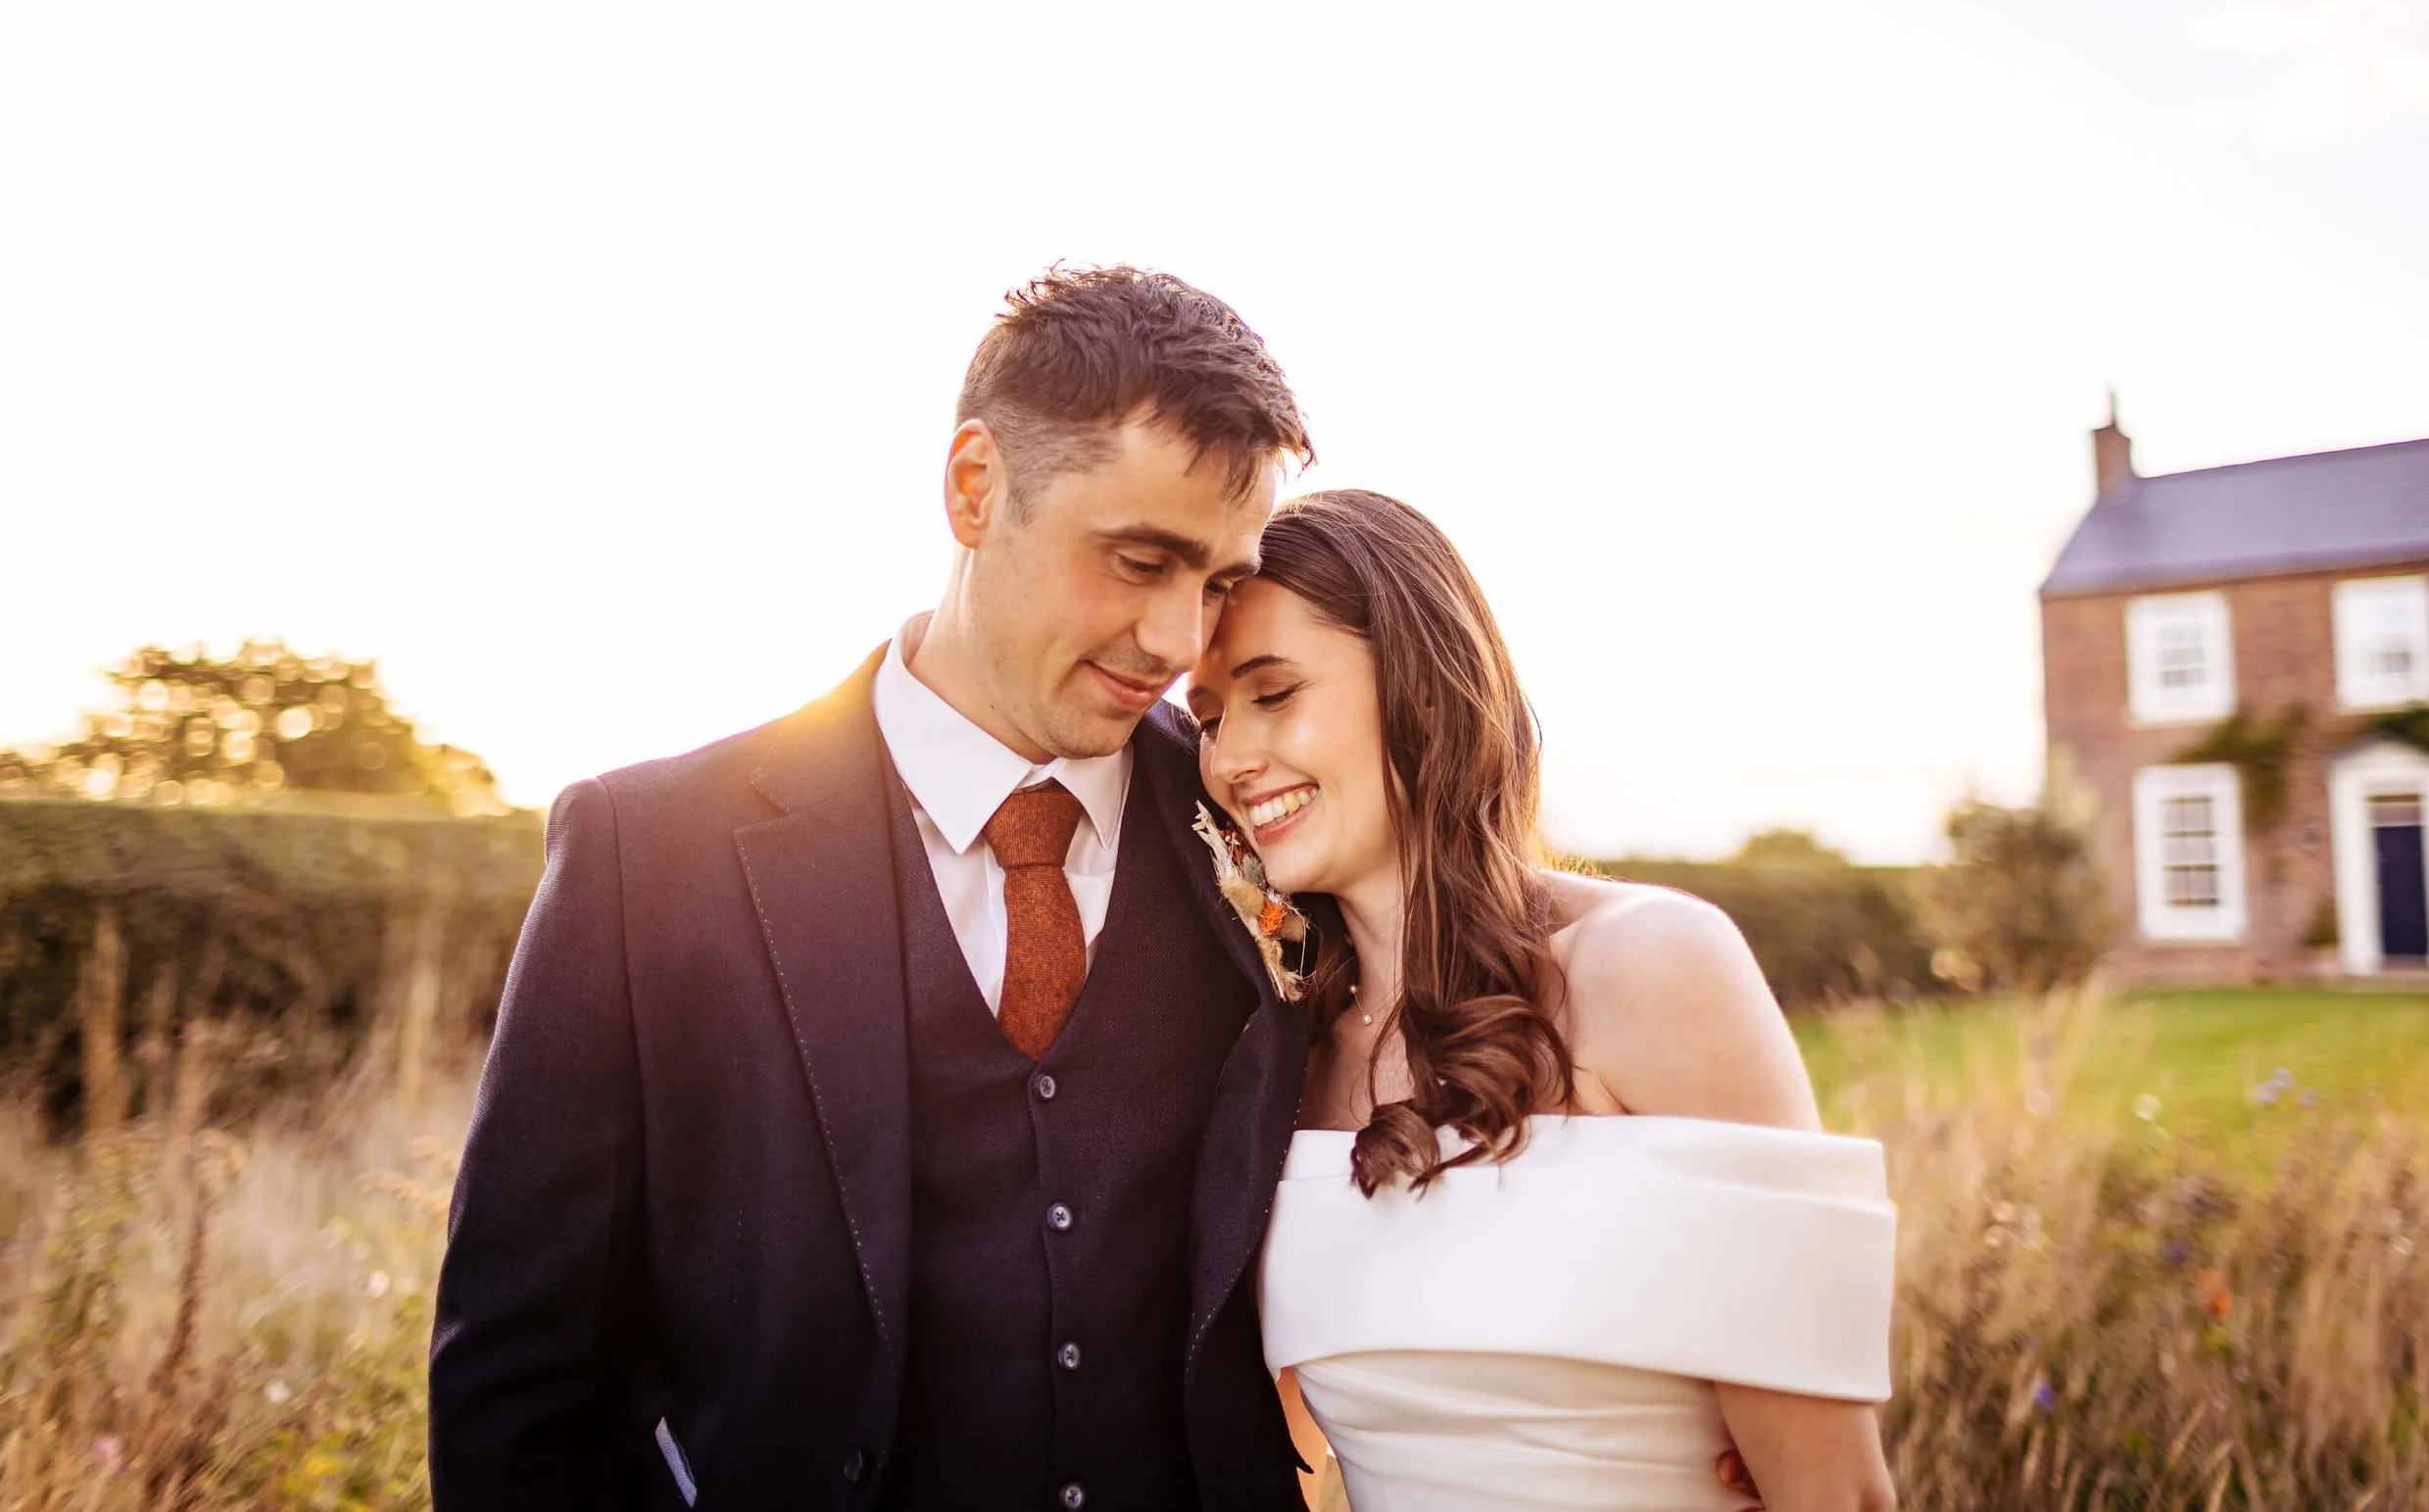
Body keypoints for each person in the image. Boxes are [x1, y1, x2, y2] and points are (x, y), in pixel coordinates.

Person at [428, 265, 1326, 1509]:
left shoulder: (1267, 829)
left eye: (1220, 582)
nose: (1180, 641)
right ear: (975, 488)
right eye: (1138, 560)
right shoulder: (647, 853)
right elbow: (519, 1380)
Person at [1188, 489, 1898, 1512]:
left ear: (1423, 686)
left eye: (1273, 692)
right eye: (1207, 717)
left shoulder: (1652, 967)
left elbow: (1836, 1492)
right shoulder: (1279, 1062)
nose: (1228, 758)